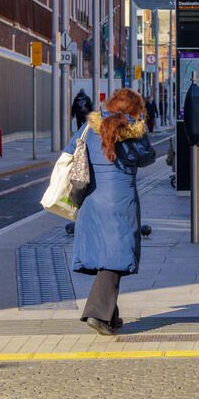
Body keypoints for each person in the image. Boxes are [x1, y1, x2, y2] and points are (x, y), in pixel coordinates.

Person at [66, 88, 155, 336]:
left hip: (92, 200)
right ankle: (96, 313)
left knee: (106, 254)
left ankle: (111, 317)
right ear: (133, 110)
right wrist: (141, 129)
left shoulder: (88, 128)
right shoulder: (134, 133)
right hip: (120, 201)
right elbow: (149, 157)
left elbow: (69, 151)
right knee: (115, 258)